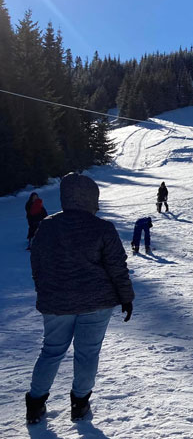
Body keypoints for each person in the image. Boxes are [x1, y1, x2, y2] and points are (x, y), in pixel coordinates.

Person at [25, 173, 134, 424]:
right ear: (91, 198)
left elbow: (37, 264)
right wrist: (126, 297)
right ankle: (80, 404)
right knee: (87, 353)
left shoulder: (48, 226)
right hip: (96, 303)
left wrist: (45, 290)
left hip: (57, 303)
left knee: (51, 352)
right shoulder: (102, 228)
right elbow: (117, 266)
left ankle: (35, 404)